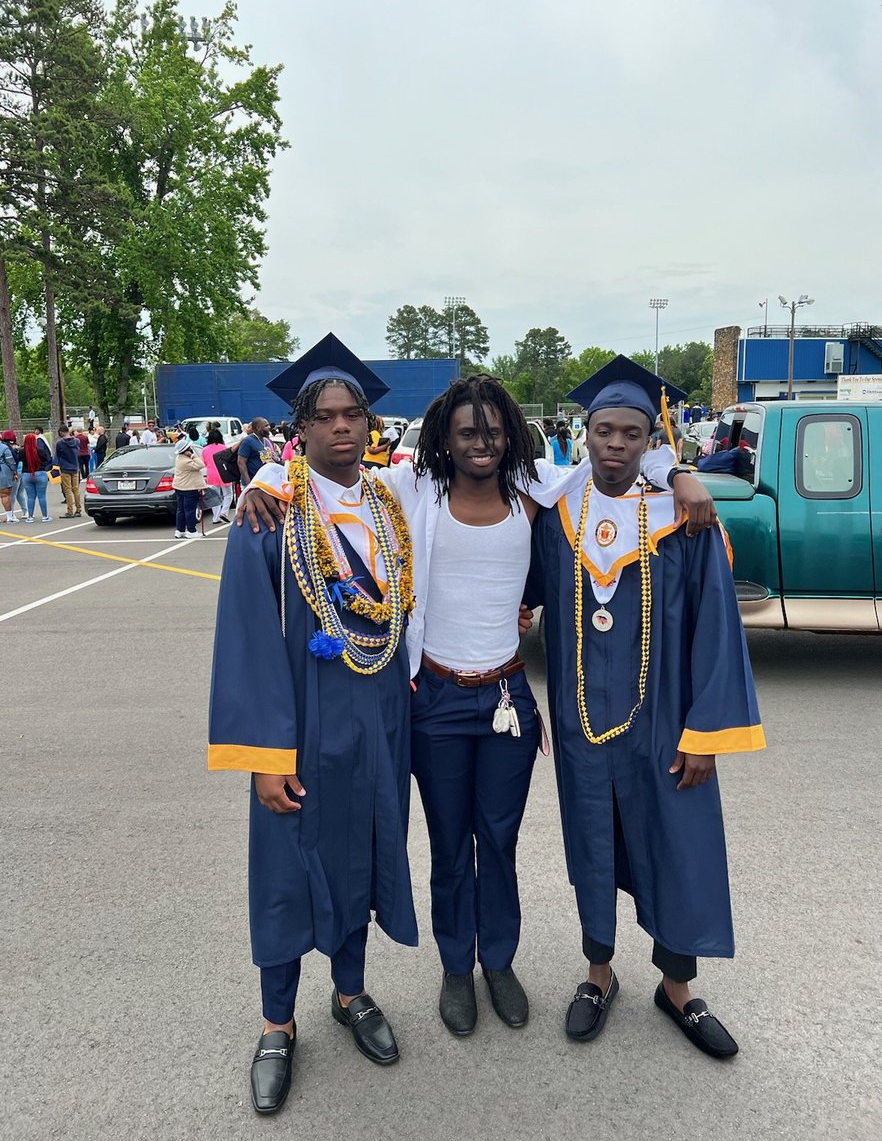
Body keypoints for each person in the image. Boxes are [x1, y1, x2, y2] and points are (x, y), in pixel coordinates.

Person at [242, 358, 720, 1042]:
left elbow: (617, 462)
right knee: (446, 845)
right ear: (444, 435)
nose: (481, 442)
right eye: (467, 431)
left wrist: (679, 470)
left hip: (505, 702)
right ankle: (455, 968)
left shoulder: (535, 490)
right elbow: (332, 481)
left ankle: (499, 961)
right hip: (434, 699)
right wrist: (262, 475)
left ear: (511, 436)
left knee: (497, 842)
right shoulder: (411, 489)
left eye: (493, 431)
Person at [525, 355, 765, 1060]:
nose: (615, 445)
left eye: (633, 433)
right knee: (591, 844)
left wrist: (706, 734)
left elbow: (717, 632)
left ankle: (678, 988)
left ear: (650, 443)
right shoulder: (558, 511)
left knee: (676, 845)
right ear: (586, 432)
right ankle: (599, 974)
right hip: (581, 725)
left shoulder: (684, 519)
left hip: (661, 723)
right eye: (604, 430)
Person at [209, 336, 418, 1115]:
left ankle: (352, 993)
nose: (341, 427)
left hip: (377, 722)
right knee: (287, 874)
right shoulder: (270, 518)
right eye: (324, 417)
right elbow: (249, 645)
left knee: (365, 851)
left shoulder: (389, 504)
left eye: (353, 413)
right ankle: (277, 1024)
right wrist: (265, 756)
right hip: (299, 733)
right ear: (300, 431)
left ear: (370, 424)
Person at [172, 436, 207, 539]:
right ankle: (191, 530)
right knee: (190, 510)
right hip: (189, 488)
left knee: (181, 509)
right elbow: (201, 464)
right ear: (186, 450)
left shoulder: (179, 458)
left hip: (179, 487)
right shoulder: (186, 461)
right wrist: (192, 455)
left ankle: (180, 530)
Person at [201, 427, 235, 524]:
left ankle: (215, 518)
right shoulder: (224, 448)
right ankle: (223, 513)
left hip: (211, 475)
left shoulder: (205, 449)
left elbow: (204, 463)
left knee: (214, 497)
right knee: (228, 495)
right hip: (224, 473)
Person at [19, 430, 54, 522]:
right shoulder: (40, 451)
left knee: (30, 497)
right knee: (42, 496)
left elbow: (18, 461)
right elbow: (48, 460)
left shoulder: (22, 452)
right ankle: (45, 516)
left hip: (26, 474)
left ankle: (30, 517)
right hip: (40, 474)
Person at [237, 417, 278, 486]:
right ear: (258, 428)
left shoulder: (266, 441)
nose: (269, 427)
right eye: (266, 425)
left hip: (265, 482)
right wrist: (248, 483)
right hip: (253, 482)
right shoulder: (248, 441)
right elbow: (241, 462)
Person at [54, 426, 82, 518]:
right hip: (75, 467)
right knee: (76, 489)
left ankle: (70, 511)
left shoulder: (60, 443)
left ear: (61, 432)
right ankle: (78, 509)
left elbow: (57, 455)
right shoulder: (76, 441)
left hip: (65, 467)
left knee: (68, 490)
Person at [0, 430, 18, 522]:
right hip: (2, 473)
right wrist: (14, 472)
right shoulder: (4, 448)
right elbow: (10, 461)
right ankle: (10, 517)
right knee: (4, 495)